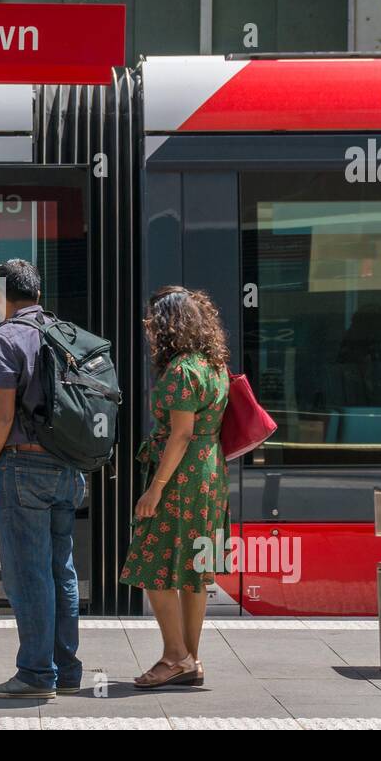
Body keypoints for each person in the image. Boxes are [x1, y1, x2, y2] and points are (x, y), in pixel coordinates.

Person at [0, 259, 86, 699]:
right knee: (62, 569)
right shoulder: (66, 334)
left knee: (27, 573)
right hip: (69, 465)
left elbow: (1, 414)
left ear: (2, 294)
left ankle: (36, 675)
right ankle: (67, 668)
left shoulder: (5, 339)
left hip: (25, 468)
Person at [120, 287, 230, 689]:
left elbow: (180, 435)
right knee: (194, 570)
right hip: (209, 474)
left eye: (154, 321)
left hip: (182, 477)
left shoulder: (183, 370)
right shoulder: (214, 365)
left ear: (170, 326)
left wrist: (155, 490)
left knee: (154, 564)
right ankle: (191, 659)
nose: (149, 327)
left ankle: (173, 656)